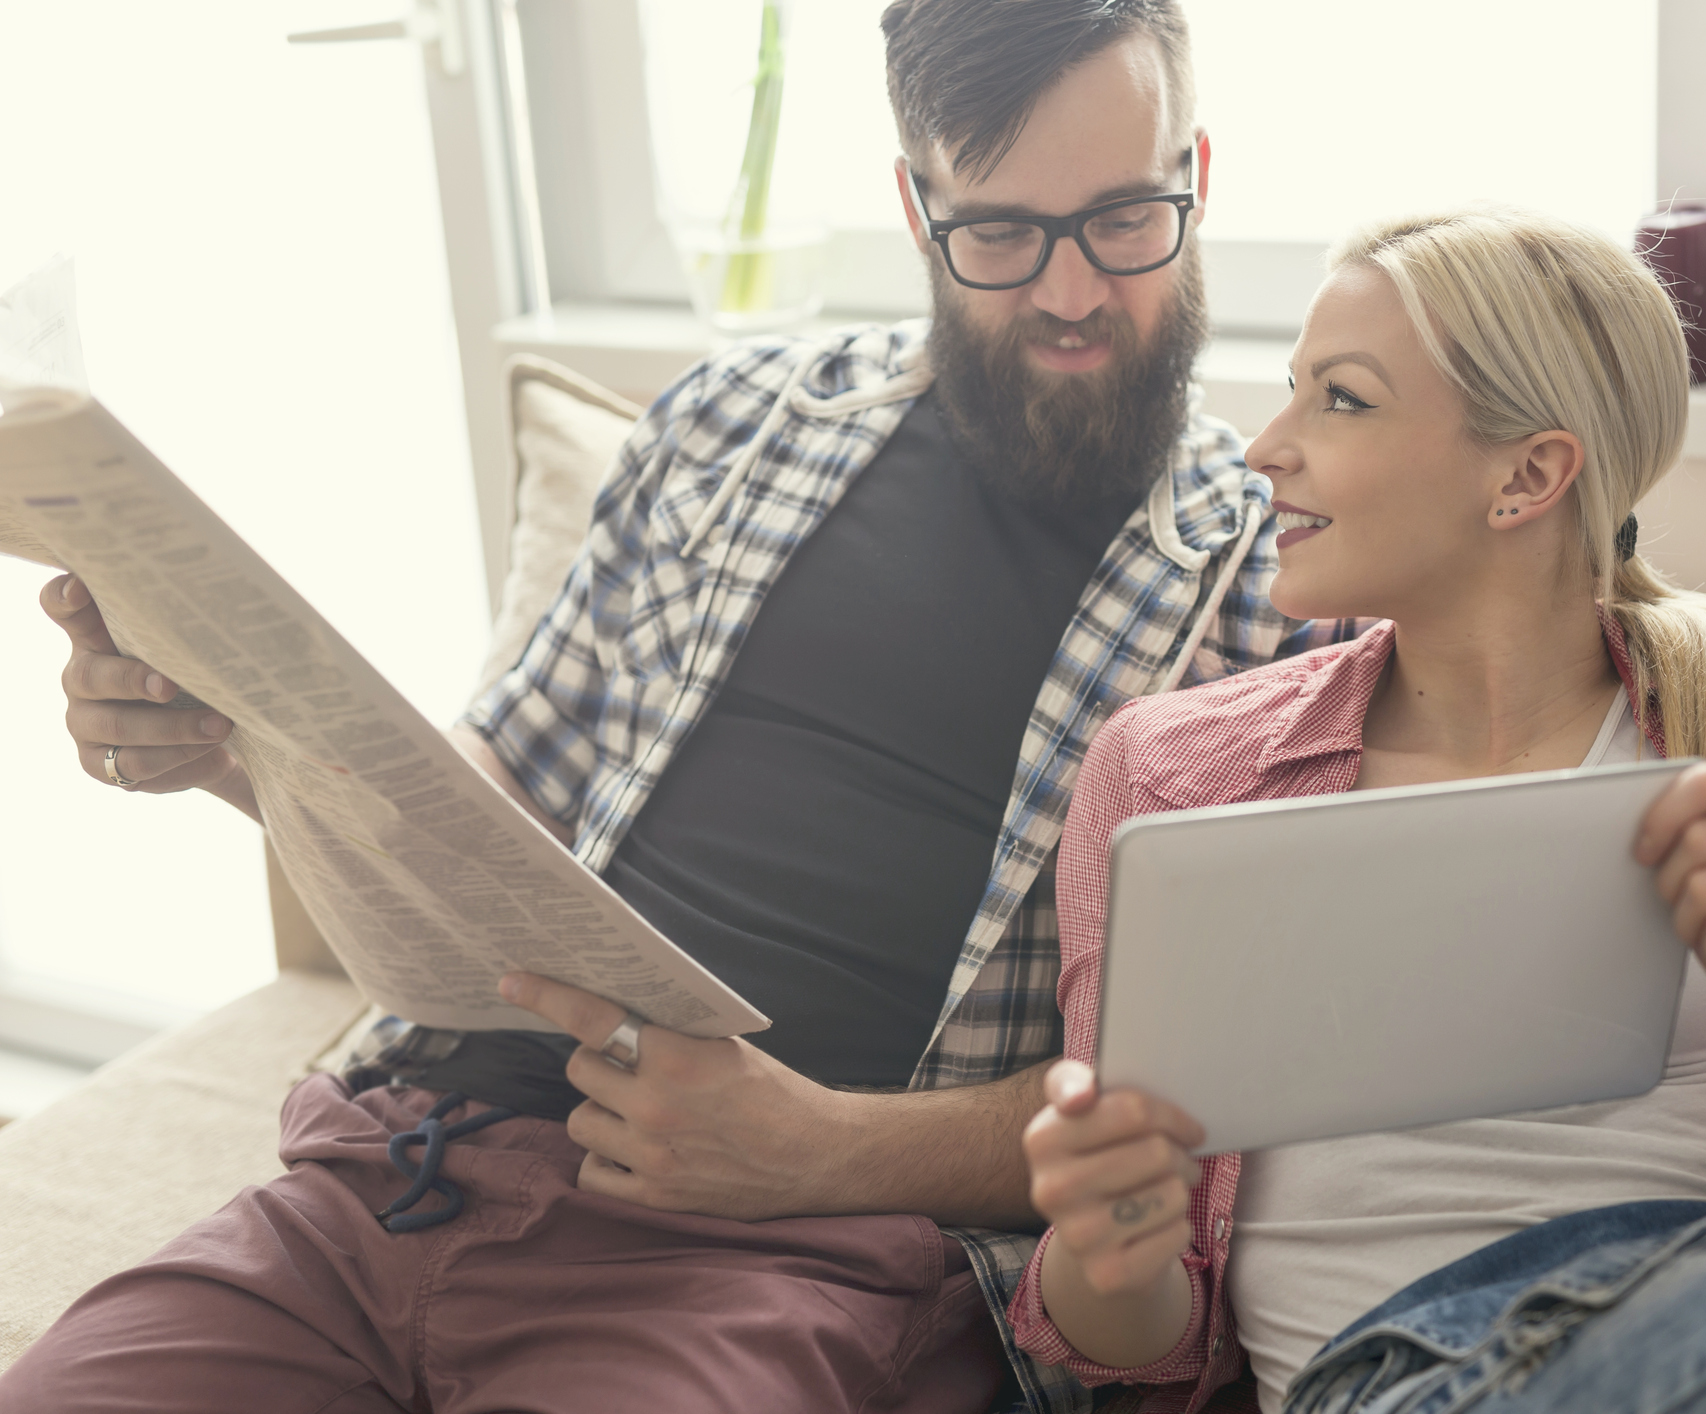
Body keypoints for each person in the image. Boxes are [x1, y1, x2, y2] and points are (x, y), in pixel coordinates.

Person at [0, 4, 1357, 1411]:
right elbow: (485, 812)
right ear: (913, 206)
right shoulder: (727, 429)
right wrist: (238, 753)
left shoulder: (1283, 587)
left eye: (1126, 220)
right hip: (395, 1169)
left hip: (771, 1258)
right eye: (1001, 234)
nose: (1071, 292)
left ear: (1196, 176)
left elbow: (1201, 1097)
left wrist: (822, 1148)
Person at [1012, 205, 1706, 1413]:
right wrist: (1102, 1236)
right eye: (1292, 391)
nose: (1267, 446)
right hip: (1417, 1373)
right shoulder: (1177, 774)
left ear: (1528, 476)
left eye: (1341, 399)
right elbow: (1137, 1341)